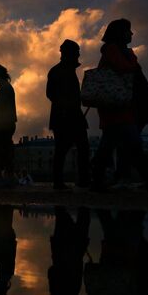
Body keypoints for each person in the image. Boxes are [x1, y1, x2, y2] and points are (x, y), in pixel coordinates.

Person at [90, 19, 148, 192]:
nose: (131, 34)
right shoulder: (112, 50)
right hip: (116, 107)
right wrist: (133, 58)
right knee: (132, 144)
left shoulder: (117, 50)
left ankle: (96, 180)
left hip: (119, 107)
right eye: (128, 30)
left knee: (109, 146)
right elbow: (124, 68)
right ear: (120, 33)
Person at [84, 210, 148, 295]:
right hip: (113, 254)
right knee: (113, 220)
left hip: (124, 254)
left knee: (132, 215)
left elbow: (147, 281)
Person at [47, 40, 90, 190]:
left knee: (72, 149)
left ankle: (72, 181)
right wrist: (67, 106)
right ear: (69, 53)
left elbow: (51, 94)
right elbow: (51, 94)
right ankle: (68, 181)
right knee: (72, 149)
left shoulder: (61, 70)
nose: (78, 54)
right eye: (76, 51)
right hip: (66, 117)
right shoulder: (60, 71)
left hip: (68, 116)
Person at [48, 207, 90, 295]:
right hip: (62, 249)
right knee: (63, 214)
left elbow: (52, 271)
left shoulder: (67, 294)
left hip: (72, 248)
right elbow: (51, 271)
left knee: (82, 214)